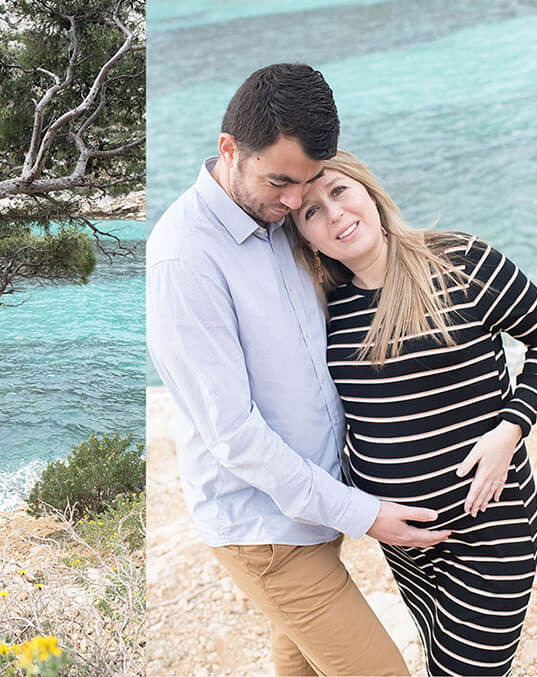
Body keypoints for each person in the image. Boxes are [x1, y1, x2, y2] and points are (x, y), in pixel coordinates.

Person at [147, 63, 446, 676]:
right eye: (280, 181)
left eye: (306, 183)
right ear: (229, 150)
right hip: (265, 528)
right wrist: (365, 514)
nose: (292, 201)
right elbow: (234, 434)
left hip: (315, 507)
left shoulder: (280, 218)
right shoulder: (184, 258)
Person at [291, 149, 537, 676]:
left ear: (368, 190)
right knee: (442, 663)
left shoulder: (461, 261)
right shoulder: (327, 308)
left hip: (493, 524)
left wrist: (509, 431)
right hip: (405, 544)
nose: (333, 215)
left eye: (338, 191)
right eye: (310, 212)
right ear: (305, 238)